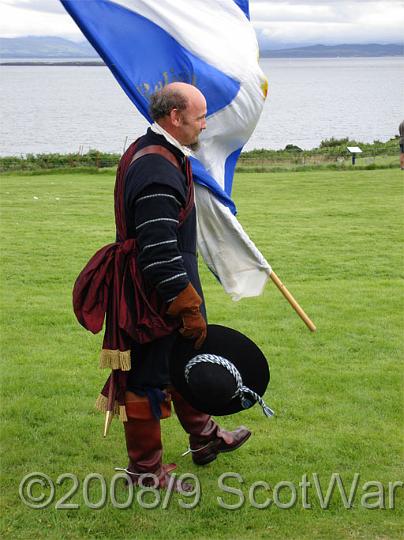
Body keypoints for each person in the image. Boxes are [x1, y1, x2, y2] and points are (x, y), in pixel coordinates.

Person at [120, 82, 251, 491]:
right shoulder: (156, 166)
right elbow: (157, 248)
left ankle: (204, 437)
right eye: (199, 116)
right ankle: (145, 472)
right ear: (175, 117)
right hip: (156, 295)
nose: (204, 123)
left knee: (184, 362)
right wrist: (184, 302)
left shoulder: (160, 153)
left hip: (166, 291)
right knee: (148, 380)